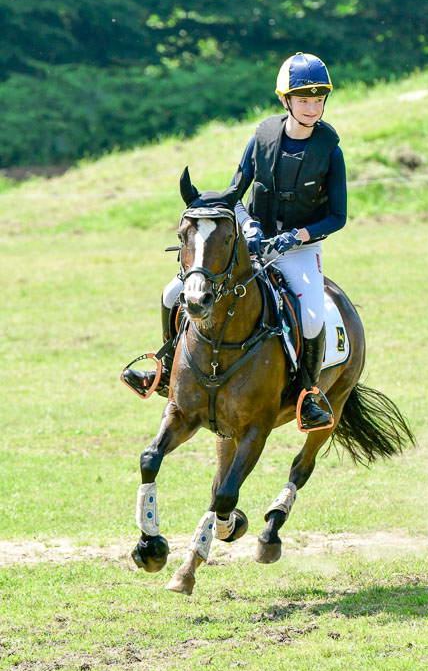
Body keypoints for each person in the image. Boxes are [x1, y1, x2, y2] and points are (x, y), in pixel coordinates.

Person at [122, 52, 347, 430]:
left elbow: (337, 216)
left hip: (300, 249)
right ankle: (163, 367)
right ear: (286, 100)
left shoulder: (331, 151)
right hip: (251, 246)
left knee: (310, 318)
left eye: (319, 100)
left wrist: (296, 236)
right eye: (304, 100)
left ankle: (308, 395)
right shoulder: (261, 138)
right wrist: (249, 224)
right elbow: (234, 194)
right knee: (170, 293)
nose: (312, 108)